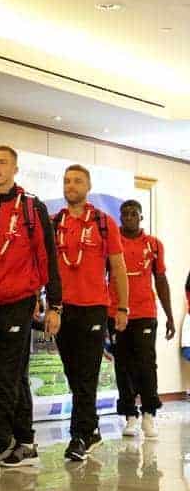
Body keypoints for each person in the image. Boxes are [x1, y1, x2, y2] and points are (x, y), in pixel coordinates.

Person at [0, 145, 62, 473]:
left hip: (18, 303)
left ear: (15, 168)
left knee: (6, 377)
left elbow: (47, 259)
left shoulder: (31, 209)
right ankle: (26, 443)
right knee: (8, 375)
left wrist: (56, 305)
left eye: (2, 163)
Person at [52, 164, 127, 462]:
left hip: (94, 308)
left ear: (88, 185)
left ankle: (79, 436)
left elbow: (118, 267)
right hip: (62, 308)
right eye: (67, 181)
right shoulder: (54, 222)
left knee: (86, 374)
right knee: (73, 374)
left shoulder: (104, 222)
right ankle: (91, 429)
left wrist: (122, 307)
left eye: (77, 181)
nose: (71, 186)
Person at [111, 199, 172, 440]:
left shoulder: (154, 245)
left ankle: (149, 413)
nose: (128, 217)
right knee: (122, 364)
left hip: (145, 312)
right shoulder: (112, 242)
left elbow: (161, 279)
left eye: (133, 213)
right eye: (124, 214)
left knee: (146, 364)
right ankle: (130, 416)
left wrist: (169, 315)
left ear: (141, 217)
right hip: (115, 312)